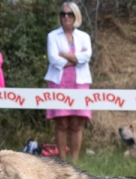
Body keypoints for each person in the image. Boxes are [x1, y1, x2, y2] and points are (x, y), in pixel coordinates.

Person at [44, 2, 92, 164]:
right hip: (59, 82)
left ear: (75, 16)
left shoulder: (84, 36)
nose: (66, 17)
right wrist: (76, 58)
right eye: (63, 14)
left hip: (80, 83)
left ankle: (75, 160)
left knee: (76, 123)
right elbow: (54, 60)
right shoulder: (52, 36)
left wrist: (65, 54)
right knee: (62, 122)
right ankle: (63, 161)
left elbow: (87, 57)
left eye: (69, 14)